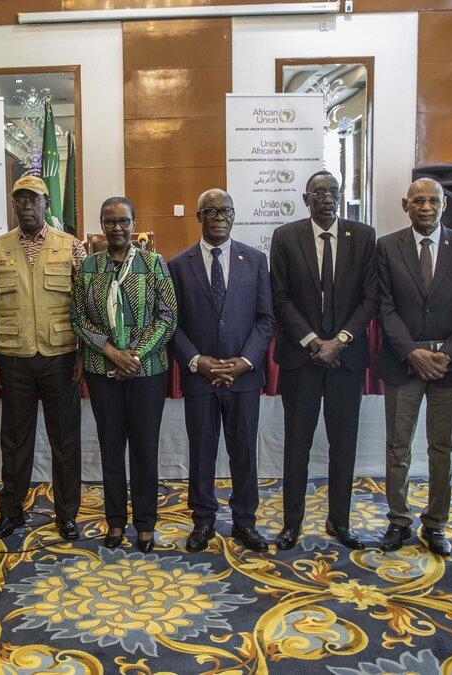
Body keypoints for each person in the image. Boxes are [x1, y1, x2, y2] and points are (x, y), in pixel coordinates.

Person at [270, 171, 378, 551]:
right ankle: (291, 524)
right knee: (296, 445)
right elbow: (280, 298)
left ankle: (340, 521)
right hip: (301, 359)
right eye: (319, 192)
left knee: (343, 444)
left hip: (346, 361)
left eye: (333, 191)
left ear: (340, 195)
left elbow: (370, 299)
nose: (327, 198)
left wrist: (340, 341)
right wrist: (315, 341)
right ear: (306, 198)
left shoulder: (363, 236)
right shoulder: (286, 237)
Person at [0, 175, 86, 541]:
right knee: (15, 441)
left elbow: (85, 307)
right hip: (14, 358)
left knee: (65, 440)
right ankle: (12, 512)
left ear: (45, 205)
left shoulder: (70, 246)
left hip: (60, 356)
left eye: (32, 199)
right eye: (19, 200)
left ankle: (67, 514)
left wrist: (82, 356)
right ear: (13, 205)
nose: (25, 205)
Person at [375, 179, 452, 556]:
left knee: (442, 448)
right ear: (406, 205)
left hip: (448, 367)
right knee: (398, 447)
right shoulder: (387, 246)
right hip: (404, 365)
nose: (426, 206)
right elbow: (384, 306)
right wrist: (412, 352)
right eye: (418, 200)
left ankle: (436, 522)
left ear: (444, 204)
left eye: (433, 200)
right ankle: (398, 520)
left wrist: (448, 354)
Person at [168, 188, 273, 554]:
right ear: (198, 217)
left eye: (224, 210)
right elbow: (172, 324)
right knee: (202, 451)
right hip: (201, 378)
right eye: (210, 211)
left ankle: (245, 522)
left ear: (234, 214)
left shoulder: (256, 260)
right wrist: (198, 361)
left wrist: (244, 362)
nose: (218, 216)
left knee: (244, 452)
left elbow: (265, 319)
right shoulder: (178, 265)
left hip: (244, 378)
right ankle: (203, 521)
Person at [73, 197, 177, 553]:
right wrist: (112, 353)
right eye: (109, 222)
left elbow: (168, 316)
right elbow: (78, 319)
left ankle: (145, 523)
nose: (116, 228)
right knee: (111, 449)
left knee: (145, 449)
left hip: (146, 371)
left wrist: (134, 356)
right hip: (103, 370)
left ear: (135, 224)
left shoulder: (153, 264)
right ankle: (116, 521)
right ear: (100, 225)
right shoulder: (88, 267)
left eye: (123, 222)